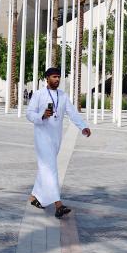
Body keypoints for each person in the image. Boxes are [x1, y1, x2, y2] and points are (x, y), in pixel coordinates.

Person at [26, 67, 91, 218]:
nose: (57, 79)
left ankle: (34, 197)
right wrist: (42, 116)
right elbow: (29, 114)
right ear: (47, 78)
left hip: (56, 139)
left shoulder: (63, 96)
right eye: (54, 77)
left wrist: (83, 126)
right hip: (42, 138)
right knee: (50, 169)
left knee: (46, 168)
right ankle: (58, 204)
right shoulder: (39, 95)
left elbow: (72, 113)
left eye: (58, 77)